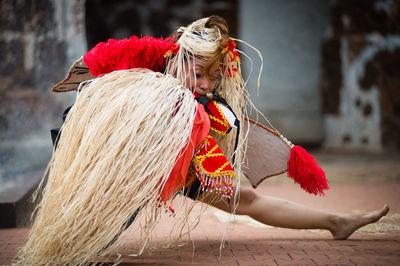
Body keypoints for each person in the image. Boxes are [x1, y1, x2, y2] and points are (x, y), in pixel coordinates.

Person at [14, 16, 389, 265]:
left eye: (213, 79)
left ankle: (335, 221)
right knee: (105, 214)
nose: (206, 86)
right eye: (198, 75)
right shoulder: (144, 72)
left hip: (186, 164)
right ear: (179, 60)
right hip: (127, 168)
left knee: (247, 199)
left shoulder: (205, 108)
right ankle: (70, 247)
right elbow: (97, 76)